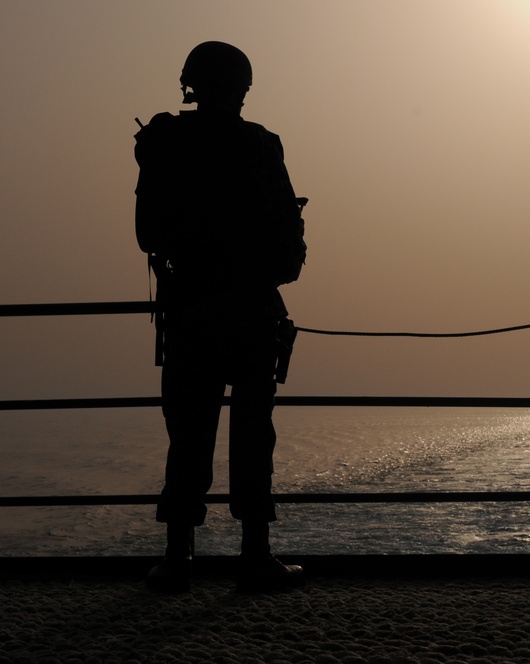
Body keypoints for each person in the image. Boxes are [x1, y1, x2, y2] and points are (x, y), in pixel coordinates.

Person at [134, 41, 307, 593]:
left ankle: (177, 558)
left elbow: (147, 234)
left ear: (191, 83)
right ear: (241, 87)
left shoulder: (167, 144)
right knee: (253, 434)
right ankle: (255, 555)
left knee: (188, 433)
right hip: (253, 310)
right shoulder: (260, 145)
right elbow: (289, 248)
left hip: (191, 311)